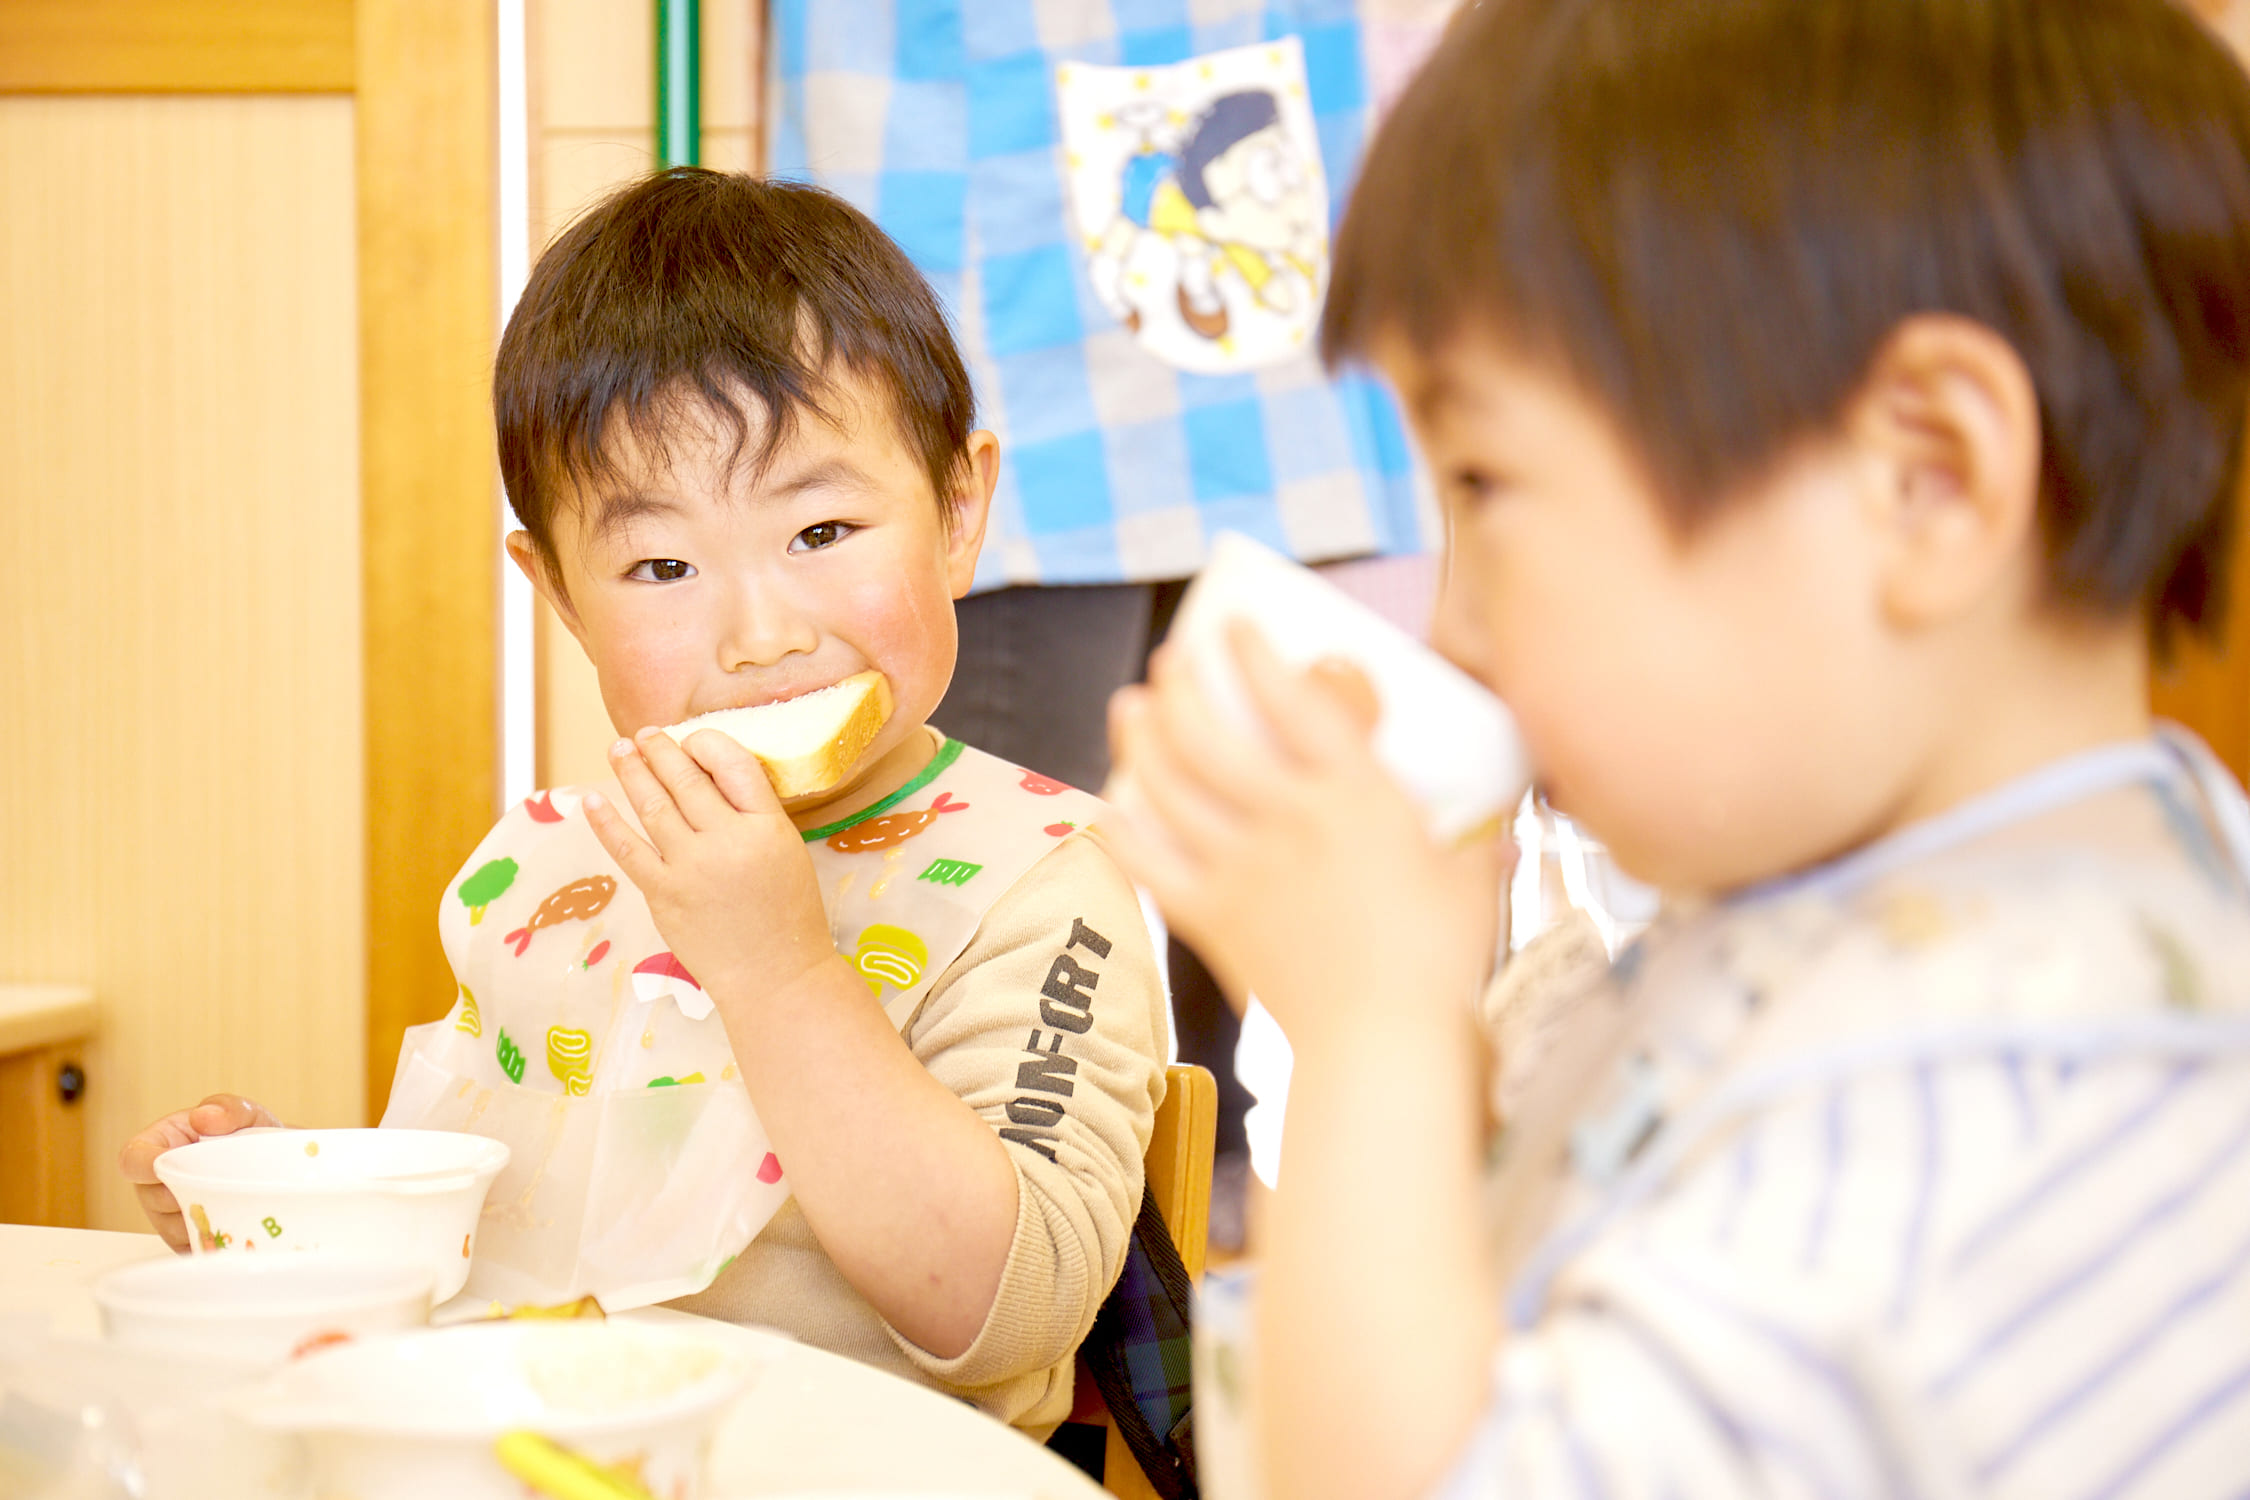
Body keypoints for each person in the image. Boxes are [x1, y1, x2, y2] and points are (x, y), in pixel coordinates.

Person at [1106, 0, 2250, 1495]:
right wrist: (1430, 1025)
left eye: (1489, 484)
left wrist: (1374, 1029)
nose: (1453, 628)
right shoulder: (1930, 895)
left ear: (1925, 480)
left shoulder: (1998, 1099)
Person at [120, 169, 1169, 1434]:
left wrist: (778, 972)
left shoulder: (1041, 880)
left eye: (823, 531)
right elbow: (496, 1244)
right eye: (662, 565)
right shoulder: (542, 871)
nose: (762, 634)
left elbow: (1006, 1313)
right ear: (561, 595)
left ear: (956, 510)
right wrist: (290, 1224)